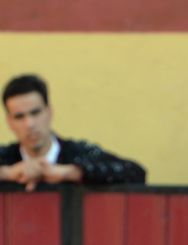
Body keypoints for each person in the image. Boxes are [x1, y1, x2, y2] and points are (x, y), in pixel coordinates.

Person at [0, 74, 145, 190]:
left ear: (49, 112)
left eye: (35, 113)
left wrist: (69, 172)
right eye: (19, 117)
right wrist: (8, 173)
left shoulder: (77, 153)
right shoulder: (5, 158)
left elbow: (135, 173)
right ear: (9, 122)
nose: (29, 124)